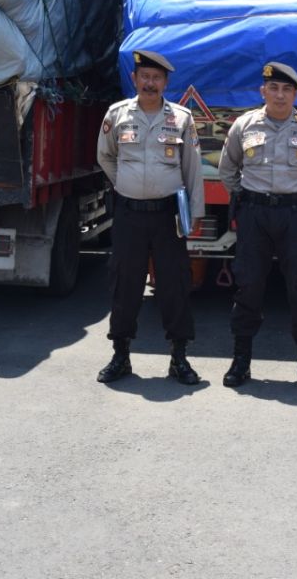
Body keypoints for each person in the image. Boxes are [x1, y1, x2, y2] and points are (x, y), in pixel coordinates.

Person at [217, 61, 297, 389]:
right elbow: (228, 169)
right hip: (254, 214)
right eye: (274, 88)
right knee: (249, 286)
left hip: (294, 215)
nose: (280, 95)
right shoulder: (244, 125)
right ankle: (241, 361)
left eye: (287, 89)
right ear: (263, 91)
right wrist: (244, 200)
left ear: (296, 93)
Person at [95, 49, 205, 385]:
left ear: (166, 82)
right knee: (125, 284)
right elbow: (105, 156)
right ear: (135, 79)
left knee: (174, 284)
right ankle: (121, 355)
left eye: (157, 78)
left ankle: (179, 358)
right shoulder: (117, 115)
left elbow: (192, 169)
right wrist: (125, 183)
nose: (151, 83)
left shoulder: (182, 118)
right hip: (129, 214)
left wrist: (195, 214)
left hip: (167, 216)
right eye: (145, 77)